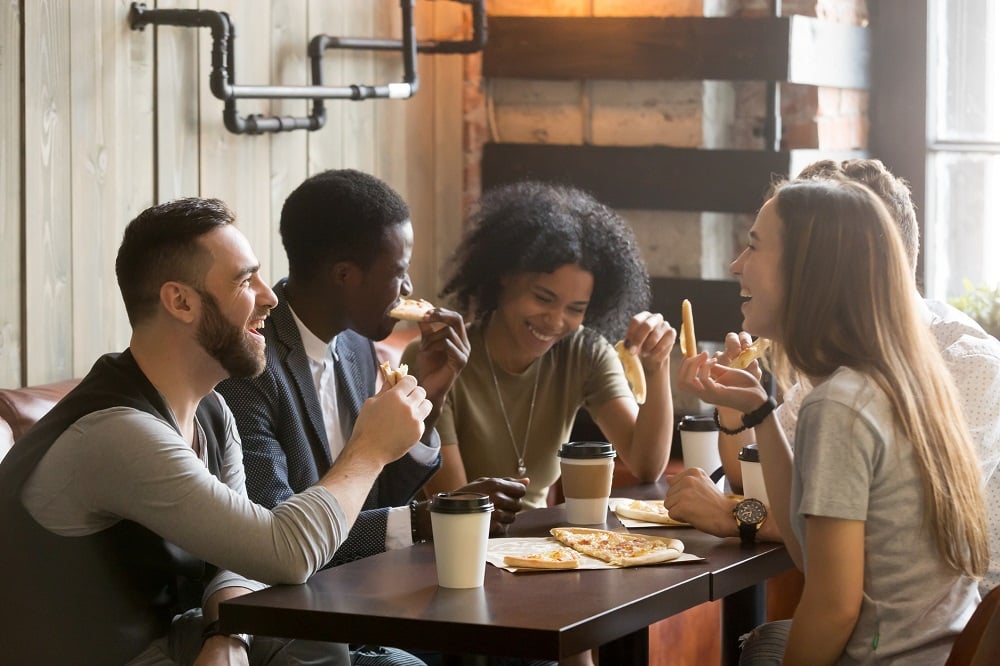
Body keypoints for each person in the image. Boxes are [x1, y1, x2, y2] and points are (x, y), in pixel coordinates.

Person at [0, 197, 431, 665]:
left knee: (346, 646)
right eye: (245, 280)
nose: (269, 297)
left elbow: (236, 557)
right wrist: (369, 449)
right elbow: (283, 552)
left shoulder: (213, 409)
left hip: (175, 639)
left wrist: (227, 636)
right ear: (181, 301)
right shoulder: (117, 433)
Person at [677, 177, 988, 663]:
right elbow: (810, 556)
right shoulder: (900, 382)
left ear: (809, 273)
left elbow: (832, 608)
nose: (736, 265)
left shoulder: (841, 406)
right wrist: (760, 411)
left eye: (754, 247)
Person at [217, 170, 525, 578]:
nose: (408, 286)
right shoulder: (250, 367)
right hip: (297, 615)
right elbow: (278, 536)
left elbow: (373, 496)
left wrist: (427, 400)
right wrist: (423, 521)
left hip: (367, 588)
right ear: (345, 275)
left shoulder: (356, 346)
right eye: (399, 270)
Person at [406, 180, 676, 511]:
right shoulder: (438, 358)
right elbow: (457, 509)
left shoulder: (584, 353)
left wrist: (657, 365)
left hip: (543, 549)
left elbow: (646, 465)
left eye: (575, 309)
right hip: (457, 546)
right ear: (505, 274)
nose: (555, 321)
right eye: (543, 298)